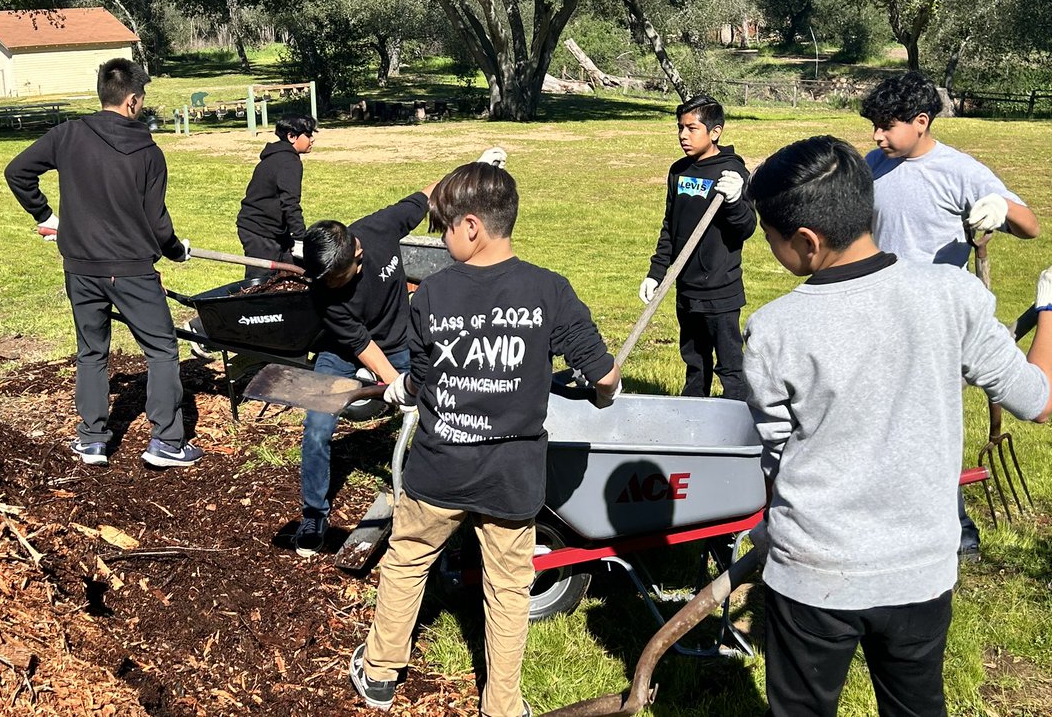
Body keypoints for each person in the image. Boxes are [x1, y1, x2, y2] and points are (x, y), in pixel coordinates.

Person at [742, 135, 1052, 717]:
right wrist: (1050, 310)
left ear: (806, 242)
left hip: (811, 573)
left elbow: (775, 453)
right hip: (919, 572)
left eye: (772, 239)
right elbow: (1038, 399)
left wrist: (768, 527)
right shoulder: (952, 296)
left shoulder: (773, 328)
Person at [349, 161, 622, 717]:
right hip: (510, 476)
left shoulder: (430, 295)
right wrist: (603, 395)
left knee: (406, 562)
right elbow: (605, 376)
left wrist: (401, 388)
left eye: (445, 227)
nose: (442, 238)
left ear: (471, 227)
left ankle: (380, 673)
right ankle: (501, 705)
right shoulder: (550, 290)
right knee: (507, 587)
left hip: (439, 470)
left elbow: (423, 377)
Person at [862, 69, 1041, 559]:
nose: (877, 136)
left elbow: (1031, 226)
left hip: (934, 320)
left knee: (926, 425)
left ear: (921, 121)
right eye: (874, 125)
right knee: (877, 420)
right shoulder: (873, 165)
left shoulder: (961, 172)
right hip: (878, 311)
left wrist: (1002, 210)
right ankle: (885, 513)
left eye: (886, 125)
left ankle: (958, 531)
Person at [294, 146, 508, 557]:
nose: (329, 286)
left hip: (404, 343)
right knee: (317, 428)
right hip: (342, 352)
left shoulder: (376, 229)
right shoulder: (325, 294)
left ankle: (448, 494)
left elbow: (429, 195)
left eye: (336, 278)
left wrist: (475, 170)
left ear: (357, 255)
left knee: (442, 408)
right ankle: (314, 515)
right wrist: (395, 385)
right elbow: (360, 345)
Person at [4, 58, 202, 469]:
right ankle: (167, 442)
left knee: (92, 351)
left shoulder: (68, 134)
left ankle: (92, 440)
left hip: (81, 266)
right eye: (142, 99)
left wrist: (45, 216)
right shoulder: (149, 152)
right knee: (163, 350)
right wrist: (175, 250)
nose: (143, 105)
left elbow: (17, 172)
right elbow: (156, 221)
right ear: (132, 100)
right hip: (131, 269)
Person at [639, 94, 756, 399]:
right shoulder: (679, 171)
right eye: (680, 128)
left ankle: (738, 421)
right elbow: (670, 227)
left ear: (715, 132)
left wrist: (734, 201)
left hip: (720, 288)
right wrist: (656, 273)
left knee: (730, 364)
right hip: (685, 286)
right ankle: (692, 418)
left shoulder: (731, 172)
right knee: (694, 361)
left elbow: (746, 227)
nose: (682, 136)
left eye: (692, 128)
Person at [235, 113, 316, 278]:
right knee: (261, 281)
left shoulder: (280, 157)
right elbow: (290, 203)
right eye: (308, 135)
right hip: (259, 230)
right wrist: (300, 239)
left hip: (276, 231)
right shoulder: (289, 163)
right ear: (291, 136)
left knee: (294, 272)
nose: (312, 139)